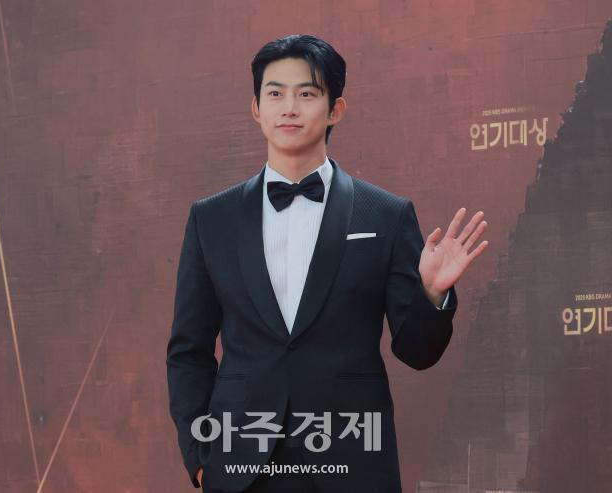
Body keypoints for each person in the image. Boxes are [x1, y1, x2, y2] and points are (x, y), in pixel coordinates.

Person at [166, 34, 488, 493]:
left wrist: (431, 294)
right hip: (242, 466)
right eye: (275, 93)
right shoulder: (211, 219)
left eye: (306, 94)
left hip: (353, 463)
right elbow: (188, 351)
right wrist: (201, 459)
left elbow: (417, 352)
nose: (289, 108)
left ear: (336, 109)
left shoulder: (385, 215)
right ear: (256, 108)